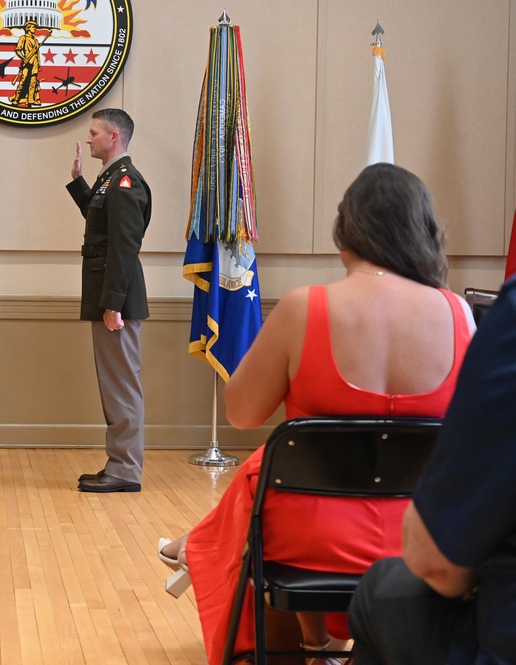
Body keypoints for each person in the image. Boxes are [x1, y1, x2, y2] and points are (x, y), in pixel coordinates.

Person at [158, 163, 475, 665]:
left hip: (311, 539)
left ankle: (301, 638)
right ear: (425, 234)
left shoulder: (306, 308)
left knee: (266, 468)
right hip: (422, 533)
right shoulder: (460, 315)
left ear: (346, 232)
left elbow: (241, 413)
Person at [348, 279, 516, 665]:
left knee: (381, 592)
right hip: (406, 514)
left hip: (498, 631)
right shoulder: (458, 312)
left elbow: (440, 564)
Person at [66, 108, 152, 493]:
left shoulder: (125, 182)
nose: (89, 138)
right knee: (114, 385)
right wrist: (78, 184)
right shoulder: (108, 182)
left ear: (114, 137)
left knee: (122, 386)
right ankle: (118, 462)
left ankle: (126, 470)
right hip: (109, 296)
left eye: (94, 132)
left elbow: (123, 247)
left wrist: (113, 303)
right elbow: (99, 222)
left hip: (117, 299)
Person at [10, 20, 42, 107]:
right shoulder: (23, 38)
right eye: (33, 27)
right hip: (27, 63)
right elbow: (18, 50)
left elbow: (37, 54)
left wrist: (39, 64)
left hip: (34, 63)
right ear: (28, 28)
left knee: (33, 83)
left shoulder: (36, 40)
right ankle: (16, 100)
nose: (35, 29)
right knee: (23, 82)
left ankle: (30, 101)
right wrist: (24, 58)